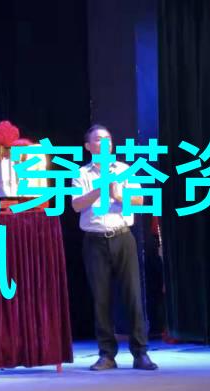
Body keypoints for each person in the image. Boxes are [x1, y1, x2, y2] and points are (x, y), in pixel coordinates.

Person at [71, 124, 158, 371]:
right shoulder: (81, 173)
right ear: (88, 146)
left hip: (122, 237)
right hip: (94, 240)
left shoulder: (124, 170)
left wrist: (116, 193)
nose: (105, 143)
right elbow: (76, 205)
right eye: (99, 140)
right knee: (101, 299)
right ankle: (107, 354)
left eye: (108, 139)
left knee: (133, 296)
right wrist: (99, 189)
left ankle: (140, 353)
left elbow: (139, 201)